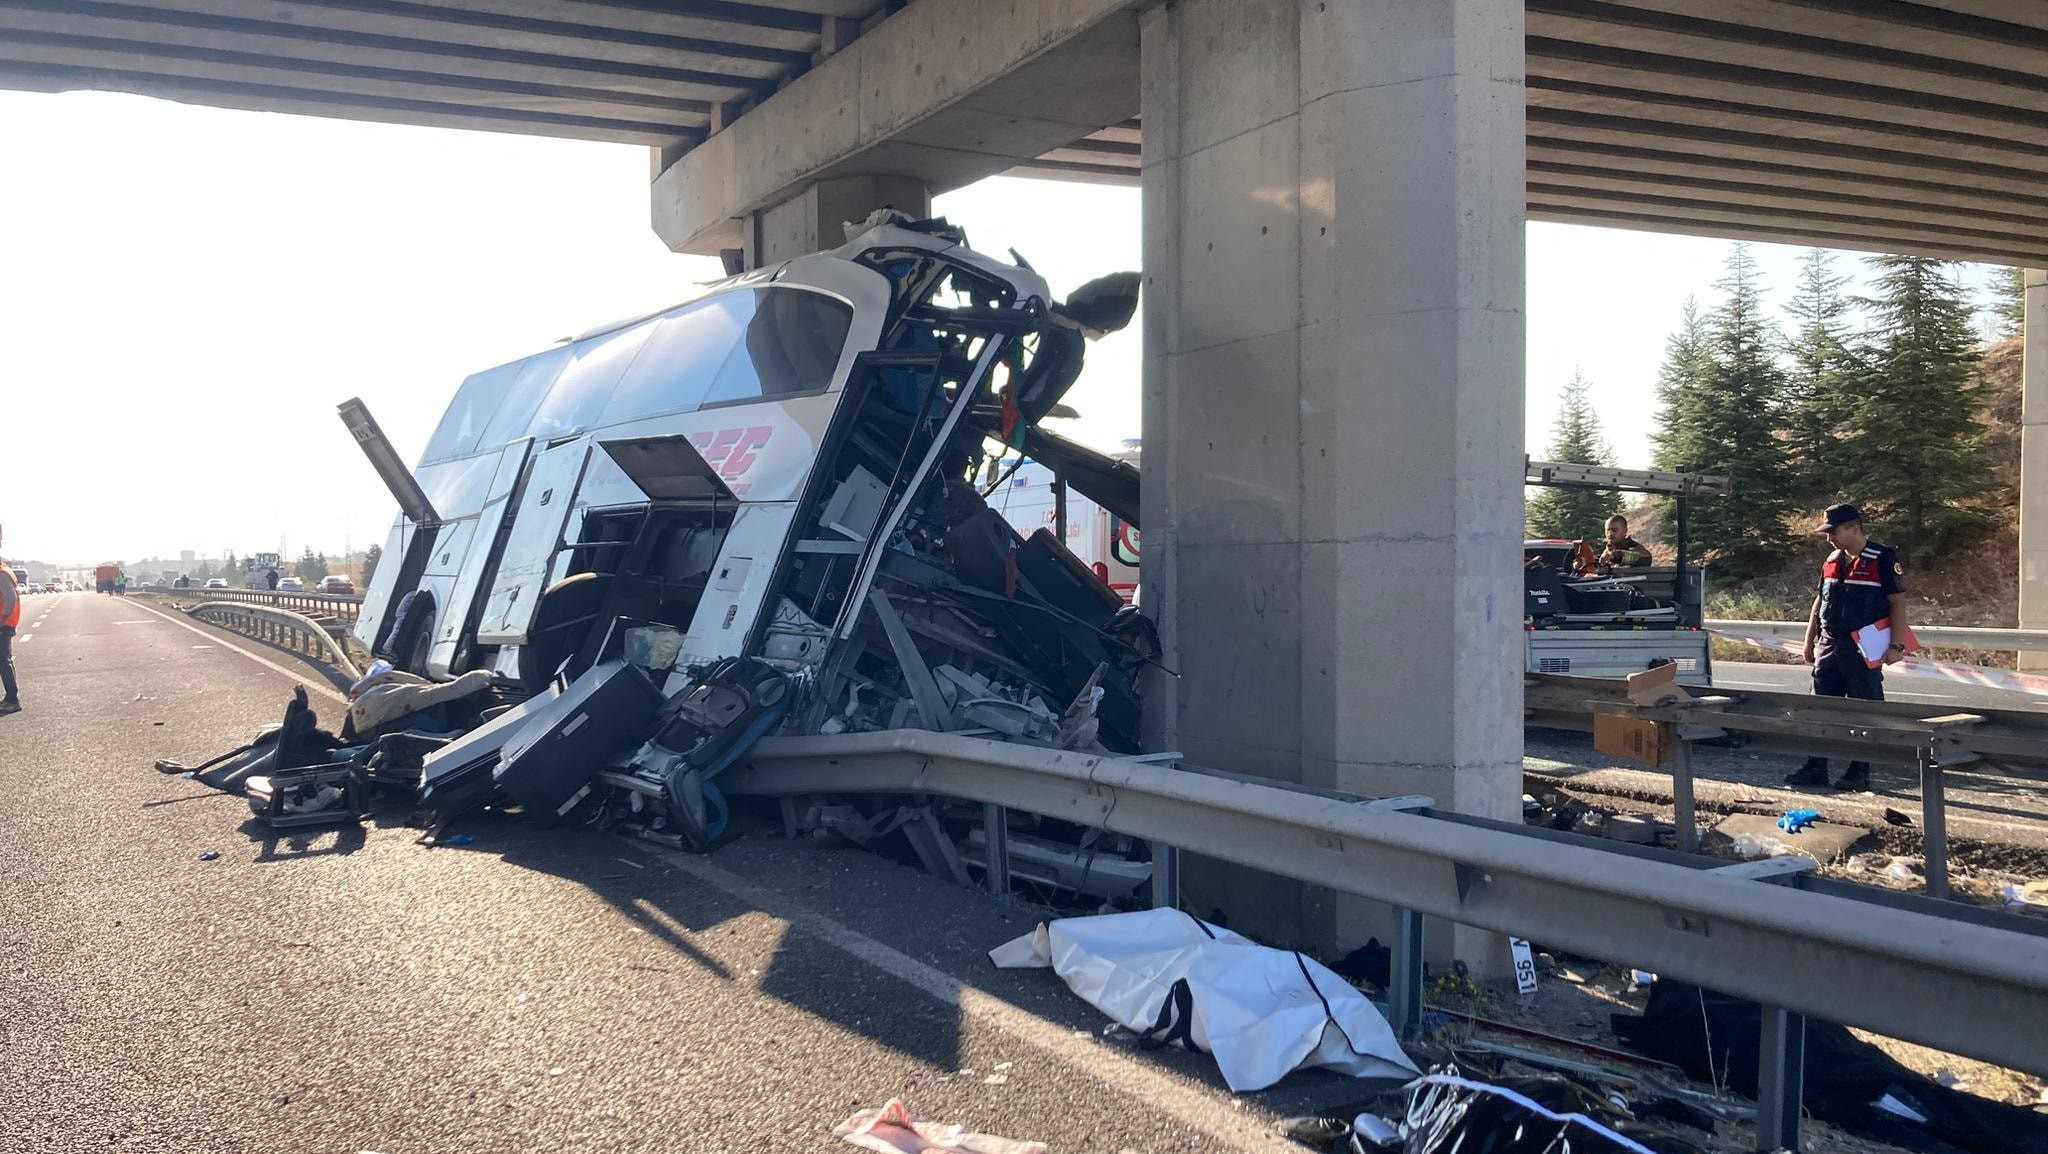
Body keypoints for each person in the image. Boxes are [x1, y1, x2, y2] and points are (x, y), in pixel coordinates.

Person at [1785, 504, 1909, 791]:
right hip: (1829, 644)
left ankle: (1859, 771)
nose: (1830, 538)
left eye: (1834, 532)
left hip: (1863, 646)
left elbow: (1897, 603)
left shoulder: (1882, 558)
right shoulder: (1831, 560)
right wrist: (1809, 640)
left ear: (1854, 528)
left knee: (1862, 710)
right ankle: (1816, 767)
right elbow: (1820, 601)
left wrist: (1897, 645)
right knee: (1821, 708)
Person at [0, 561, 19, 713]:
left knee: (3, 661)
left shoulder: (1, 573)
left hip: (3, 623)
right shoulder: (5, 570)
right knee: (4, 660)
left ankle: (12, 700)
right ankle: (11, 698)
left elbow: (10, 598)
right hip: (5, 623)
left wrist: (4, 618)